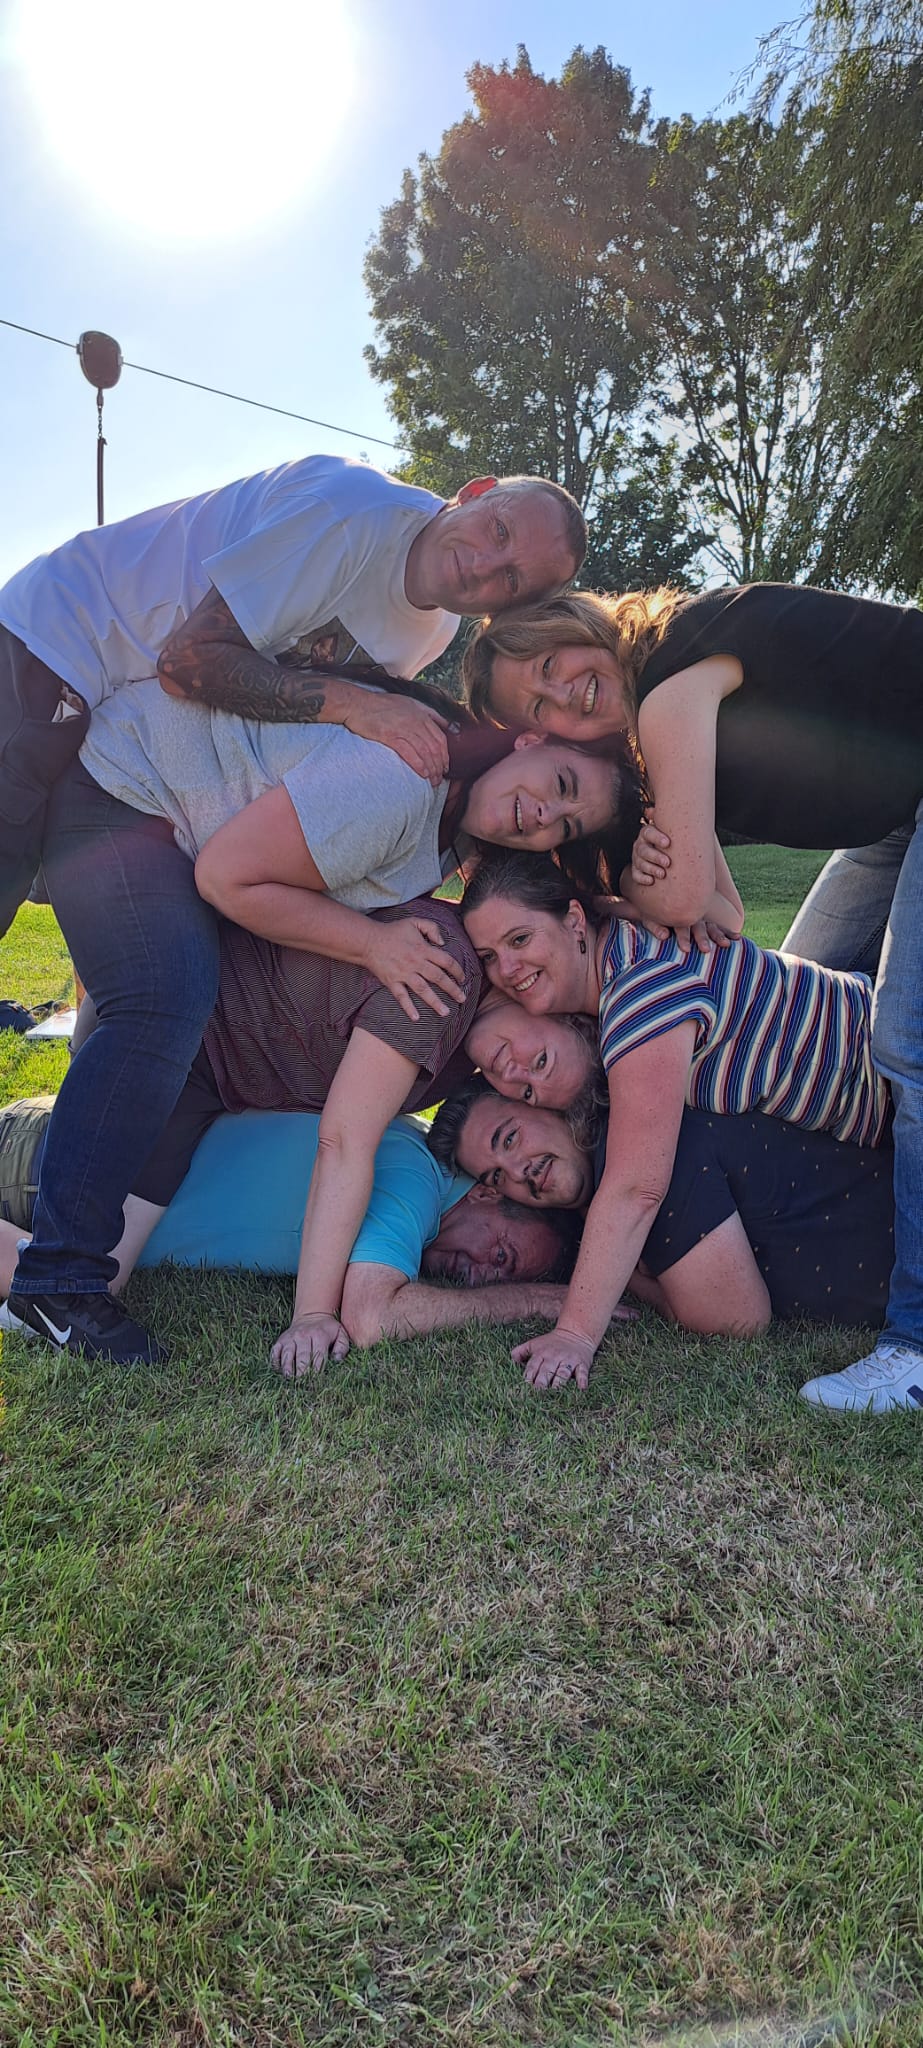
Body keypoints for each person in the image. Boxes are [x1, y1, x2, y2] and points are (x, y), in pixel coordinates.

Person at [7, 675, 642, 1366]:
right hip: (159, 955)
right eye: (539, 1061)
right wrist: (312, 1314)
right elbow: (344, 1140)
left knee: (90, 1283)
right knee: (79, 1257)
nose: (514, 1073)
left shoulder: (461, 1049)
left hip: (202, 1081)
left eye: (523, 1092)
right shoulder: (443, 972)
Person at [464, 585, 923, 1411]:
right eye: (539, 705)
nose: (564, 696)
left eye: (548, 665)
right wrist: (640, 893)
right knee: (790, 970)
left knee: (906, 1044)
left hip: (903, 798)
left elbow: (636, 1184)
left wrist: (575, 1330)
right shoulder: (643, 788)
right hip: (893, 805)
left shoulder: (670, 683)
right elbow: (722, 915)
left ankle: (913, 1348)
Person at [0, 455, 587, 935]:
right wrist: (358, 705)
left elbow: (298, 730)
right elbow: (187, 662)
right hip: (63, 638)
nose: (483, 564)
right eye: (498, 529)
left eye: (511, 579)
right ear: (475, 491)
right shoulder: (351, 513)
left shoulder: (436, 629)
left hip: (139, 739)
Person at [455, 850, 894, 1396]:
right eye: (490, 956)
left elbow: (637, 1187)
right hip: (876, 1048)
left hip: (895, 1078)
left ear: (573, 921)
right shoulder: (627, 947)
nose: (508, 969)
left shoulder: (638, 997)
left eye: (520, 939)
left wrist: (574, 1333)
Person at [0, 1100, 580, 1369]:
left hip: (57, 1159)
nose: (479, 1276)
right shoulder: (415, 1175)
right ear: (486, 1193)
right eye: (501, 1255)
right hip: (42, 1171)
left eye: (497, 1280)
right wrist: (533, 1301)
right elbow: (371, 1316)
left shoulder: (415, 1175)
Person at [428, 1080, 898, 1363]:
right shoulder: (607, 1186)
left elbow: (734, 1320)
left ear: (544, 1103)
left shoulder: (639, 1151)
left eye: (510, 1139)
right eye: (496, 1175)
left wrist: (630, 1278)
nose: (518, 1172)